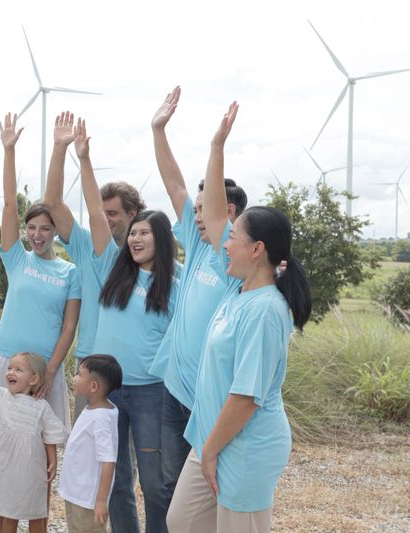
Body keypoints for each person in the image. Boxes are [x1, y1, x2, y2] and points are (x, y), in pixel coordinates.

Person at [166, 102, 312, 532]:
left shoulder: (267, 310)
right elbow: (213, 215)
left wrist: (210, 451)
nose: (223, 244)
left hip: (243, 447)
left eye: (235, 239)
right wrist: (216, 146)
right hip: (212, 438)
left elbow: (247, 397)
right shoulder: (238, 292)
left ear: (258, 249)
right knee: (183, 522)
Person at [74, 116, 179, 533]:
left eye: (144, 233)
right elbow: (98, 217)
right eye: (132, 233)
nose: (135, 239)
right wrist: (84, 159)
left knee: (155, 483)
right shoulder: (113, 267)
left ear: (162, 238)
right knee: (114, 482)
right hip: (110, 391)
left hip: (152, 390)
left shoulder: (178, 279)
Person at [148, 86, 248, 500]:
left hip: (210, 399)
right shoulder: (196, 240)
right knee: (172, 485)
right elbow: (174, 185)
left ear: (227, 214)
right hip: (174, 389)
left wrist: (216, 144)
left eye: (205, 209)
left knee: (209, 491)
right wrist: (157, 131)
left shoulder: (231, 259)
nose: (195, 215)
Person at [43, 111, 146, 419]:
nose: (106, 219)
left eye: (113, 213)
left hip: (133, 363)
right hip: (90, 358)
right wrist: (61, 149)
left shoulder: (148, 255)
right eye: (104, 213)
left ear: (133, 214)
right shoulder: (85, 243)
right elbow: (52, 202)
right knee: (88, 445)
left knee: (125, 456)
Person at [0, 112, 81, 431]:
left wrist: (52, 372)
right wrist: (9, 150)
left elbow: (68, 329)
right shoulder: (17, 259)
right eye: (31, 228)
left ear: (56, 230)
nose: (37, 235)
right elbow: (9, 206)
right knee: (2, 444)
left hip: (43, 369)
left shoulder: (70, 272)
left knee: (42, 448)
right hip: (5, 361)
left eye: (45, 228)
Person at [0, 321, 67, 533]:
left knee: (36, 513)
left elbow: (50, 435)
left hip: (29, 472)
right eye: (9, 368)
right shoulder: (0, 395)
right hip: (4, 469)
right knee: (7, 514)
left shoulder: (41, 407)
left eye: (18, 369)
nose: (10, 372)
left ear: (34, 379)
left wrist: (53, 461)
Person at [59, 355, 121, 533]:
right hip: (76, 494)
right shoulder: (94, 409)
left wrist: (101, 501)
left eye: (79, 375)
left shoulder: (101, 418)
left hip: (88, 500)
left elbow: (108, 461)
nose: (74, 378)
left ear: (94, 386)